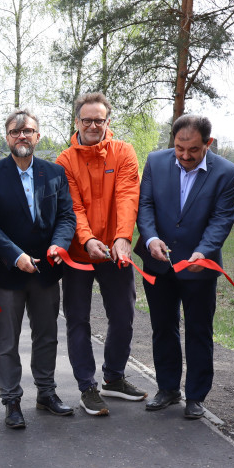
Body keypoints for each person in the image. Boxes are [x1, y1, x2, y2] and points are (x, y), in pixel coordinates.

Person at [135, 115, 234, 419]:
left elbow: (222, 219)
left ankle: (196, 396)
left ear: (208, 143)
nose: (184, 155)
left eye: (193, 149)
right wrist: (151, 238)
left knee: (199, 330)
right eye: (179, 148)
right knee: (163, 327)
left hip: (199, 267)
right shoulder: (156, 161)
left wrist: (203, 252)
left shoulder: (227, 172)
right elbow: (145, 205)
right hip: (158, 263)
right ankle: (168, 388)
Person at [0, 109, 77, 429]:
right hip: (6, 272)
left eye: (28, 131)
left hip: (46, 269)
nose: (22, 136)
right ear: (7, 137)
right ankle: (11, 400)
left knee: (46, 336)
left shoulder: (55, 173)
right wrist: (15, 255)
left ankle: (46, 393)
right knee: (7, 341)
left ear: (38, 136)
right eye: (15, 131)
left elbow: (67, 216)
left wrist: (59, 244)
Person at [56, 92, 148, 417]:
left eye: (99, 120)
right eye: (87, 120)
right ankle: (87, 387)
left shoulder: (124, 152)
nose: (93, 125)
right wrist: (87, 239)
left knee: (123, 315)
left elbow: (127, 195)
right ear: (77, 121)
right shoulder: (65, 161)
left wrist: (123, 237)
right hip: (79, 253)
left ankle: (114, 377)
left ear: (108, 121)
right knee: (78, 319)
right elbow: (73, 207)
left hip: (114, 251)